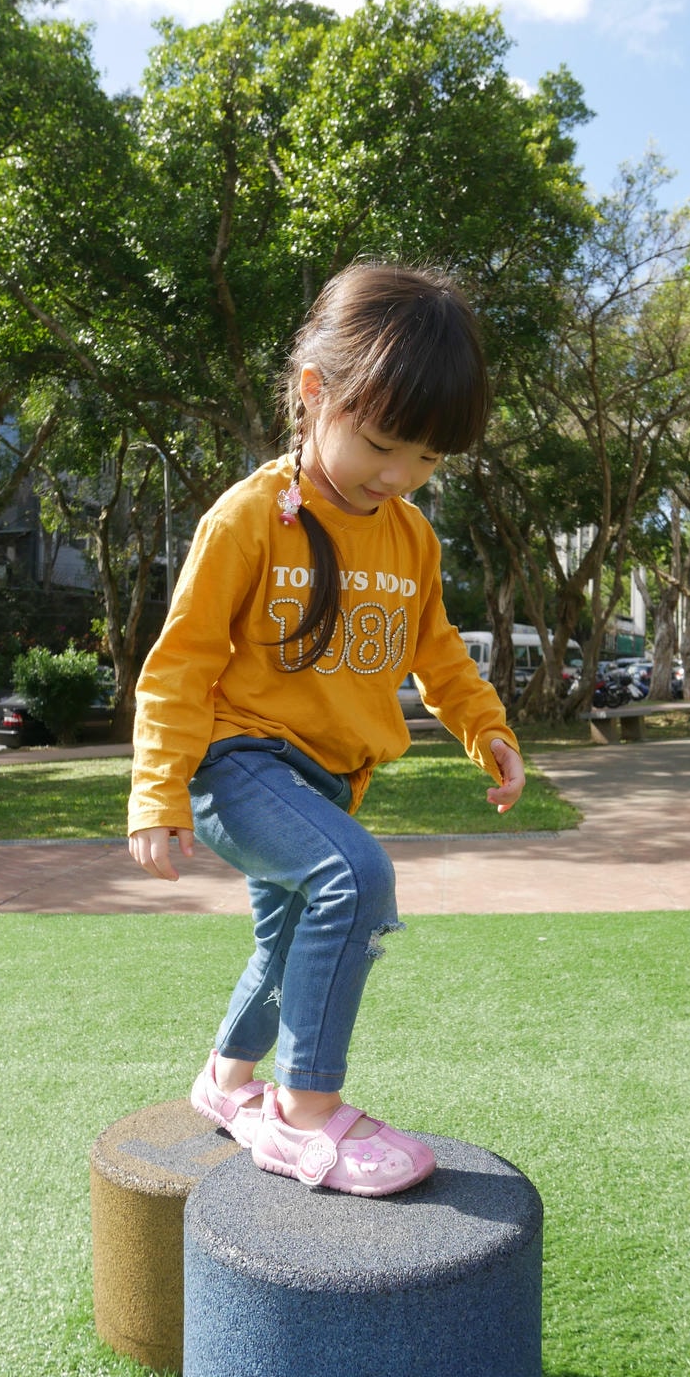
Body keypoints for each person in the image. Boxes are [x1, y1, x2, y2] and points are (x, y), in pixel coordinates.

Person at [127, 263, 525, 1198]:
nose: (399, 476)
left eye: (427, 460)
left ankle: (226, 1083)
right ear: (316, 393)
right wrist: (159, 789)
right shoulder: (249, 518)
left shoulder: (410, 537)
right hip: (238, 764)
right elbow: (179, 663)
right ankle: (306, 1116)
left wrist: (487, 730)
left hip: (328, 780)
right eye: (383, 443)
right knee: (354, 877)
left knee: (290, 934)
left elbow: (441, 658)